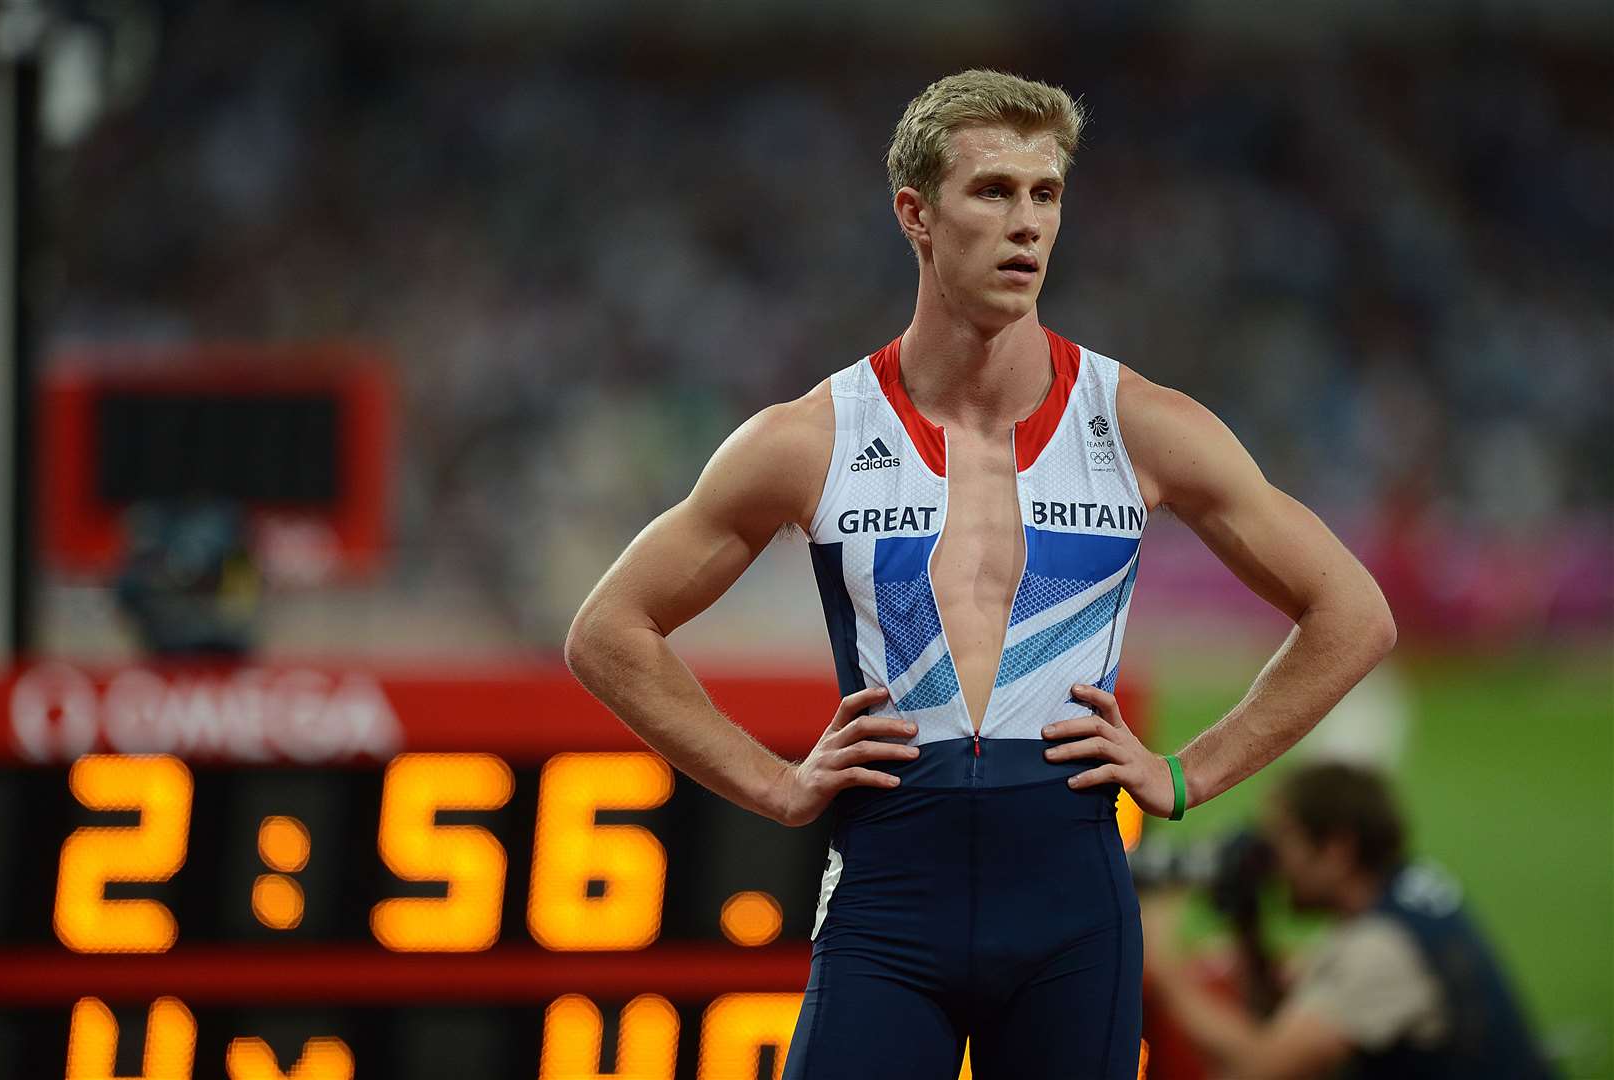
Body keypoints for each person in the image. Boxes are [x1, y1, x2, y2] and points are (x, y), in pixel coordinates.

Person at [564, 69, 1396, 1079]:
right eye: (993, 191)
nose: (1027, 224)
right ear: (916, 214)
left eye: (1046, 195)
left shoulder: (1141, 426)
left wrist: (1189, 772)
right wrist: (775, 787)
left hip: (1073, 917)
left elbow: (1353, 614)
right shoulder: (809, 440)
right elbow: (609, 631)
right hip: (887, 909)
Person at [1142, 762, 1556, 1079]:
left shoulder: (1381, 951)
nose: (1273, 864)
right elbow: (1282, 1015)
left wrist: (1164, 969)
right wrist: (1247, 928)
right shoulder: (1403, 895)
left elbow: (1261, 1066)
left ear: (1336, 850)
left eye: (1284, 840)